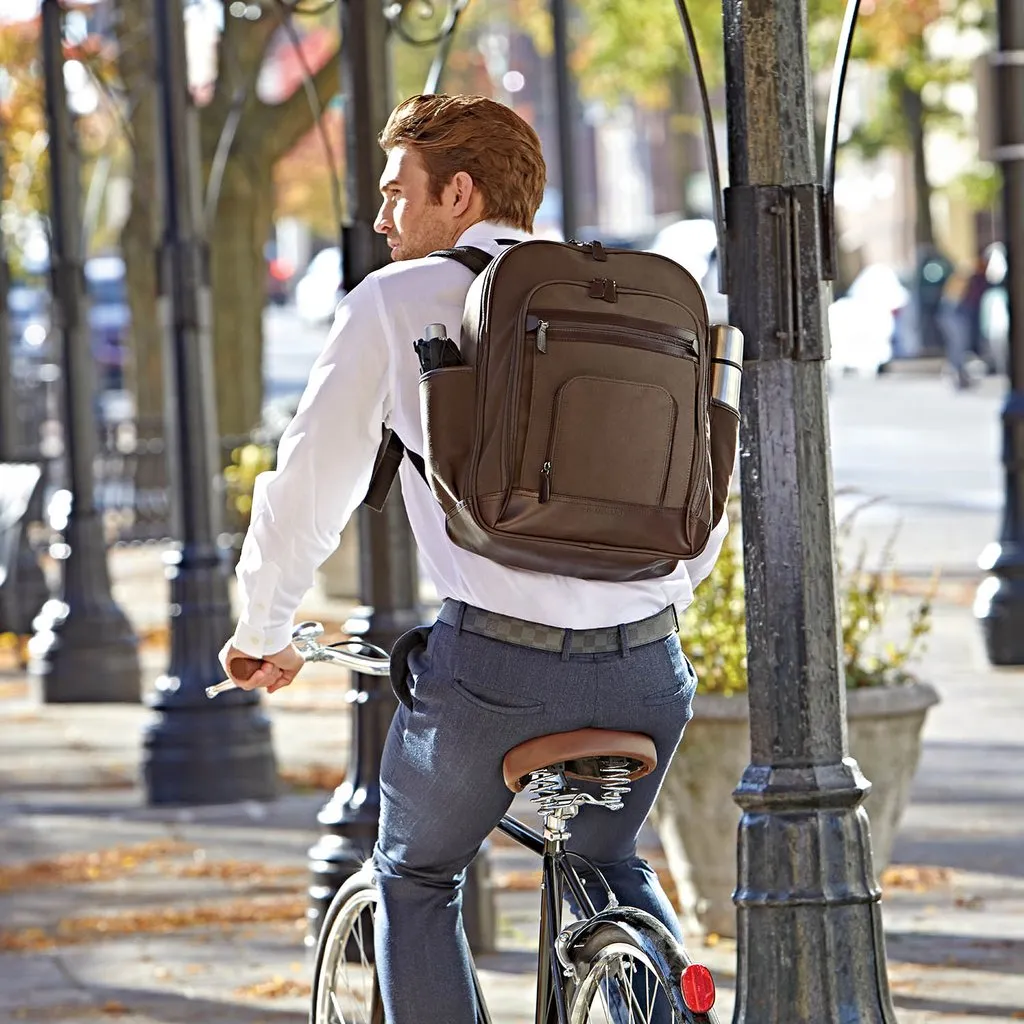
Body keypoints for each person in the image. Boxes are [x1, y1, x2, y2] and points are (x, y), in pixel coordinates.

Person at [219, 94, 727, 1024]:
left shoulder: (397, 303)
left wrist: (262, 629)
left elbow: (309, 487)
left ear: (457, 193)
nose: (380, 220)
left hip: (496, 671)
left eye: (396, 193)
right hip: (652, 668)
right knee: (610, 863)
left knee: (412, 877)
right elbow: (702, 489)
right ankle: (662, 991)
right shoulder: (625, 301)